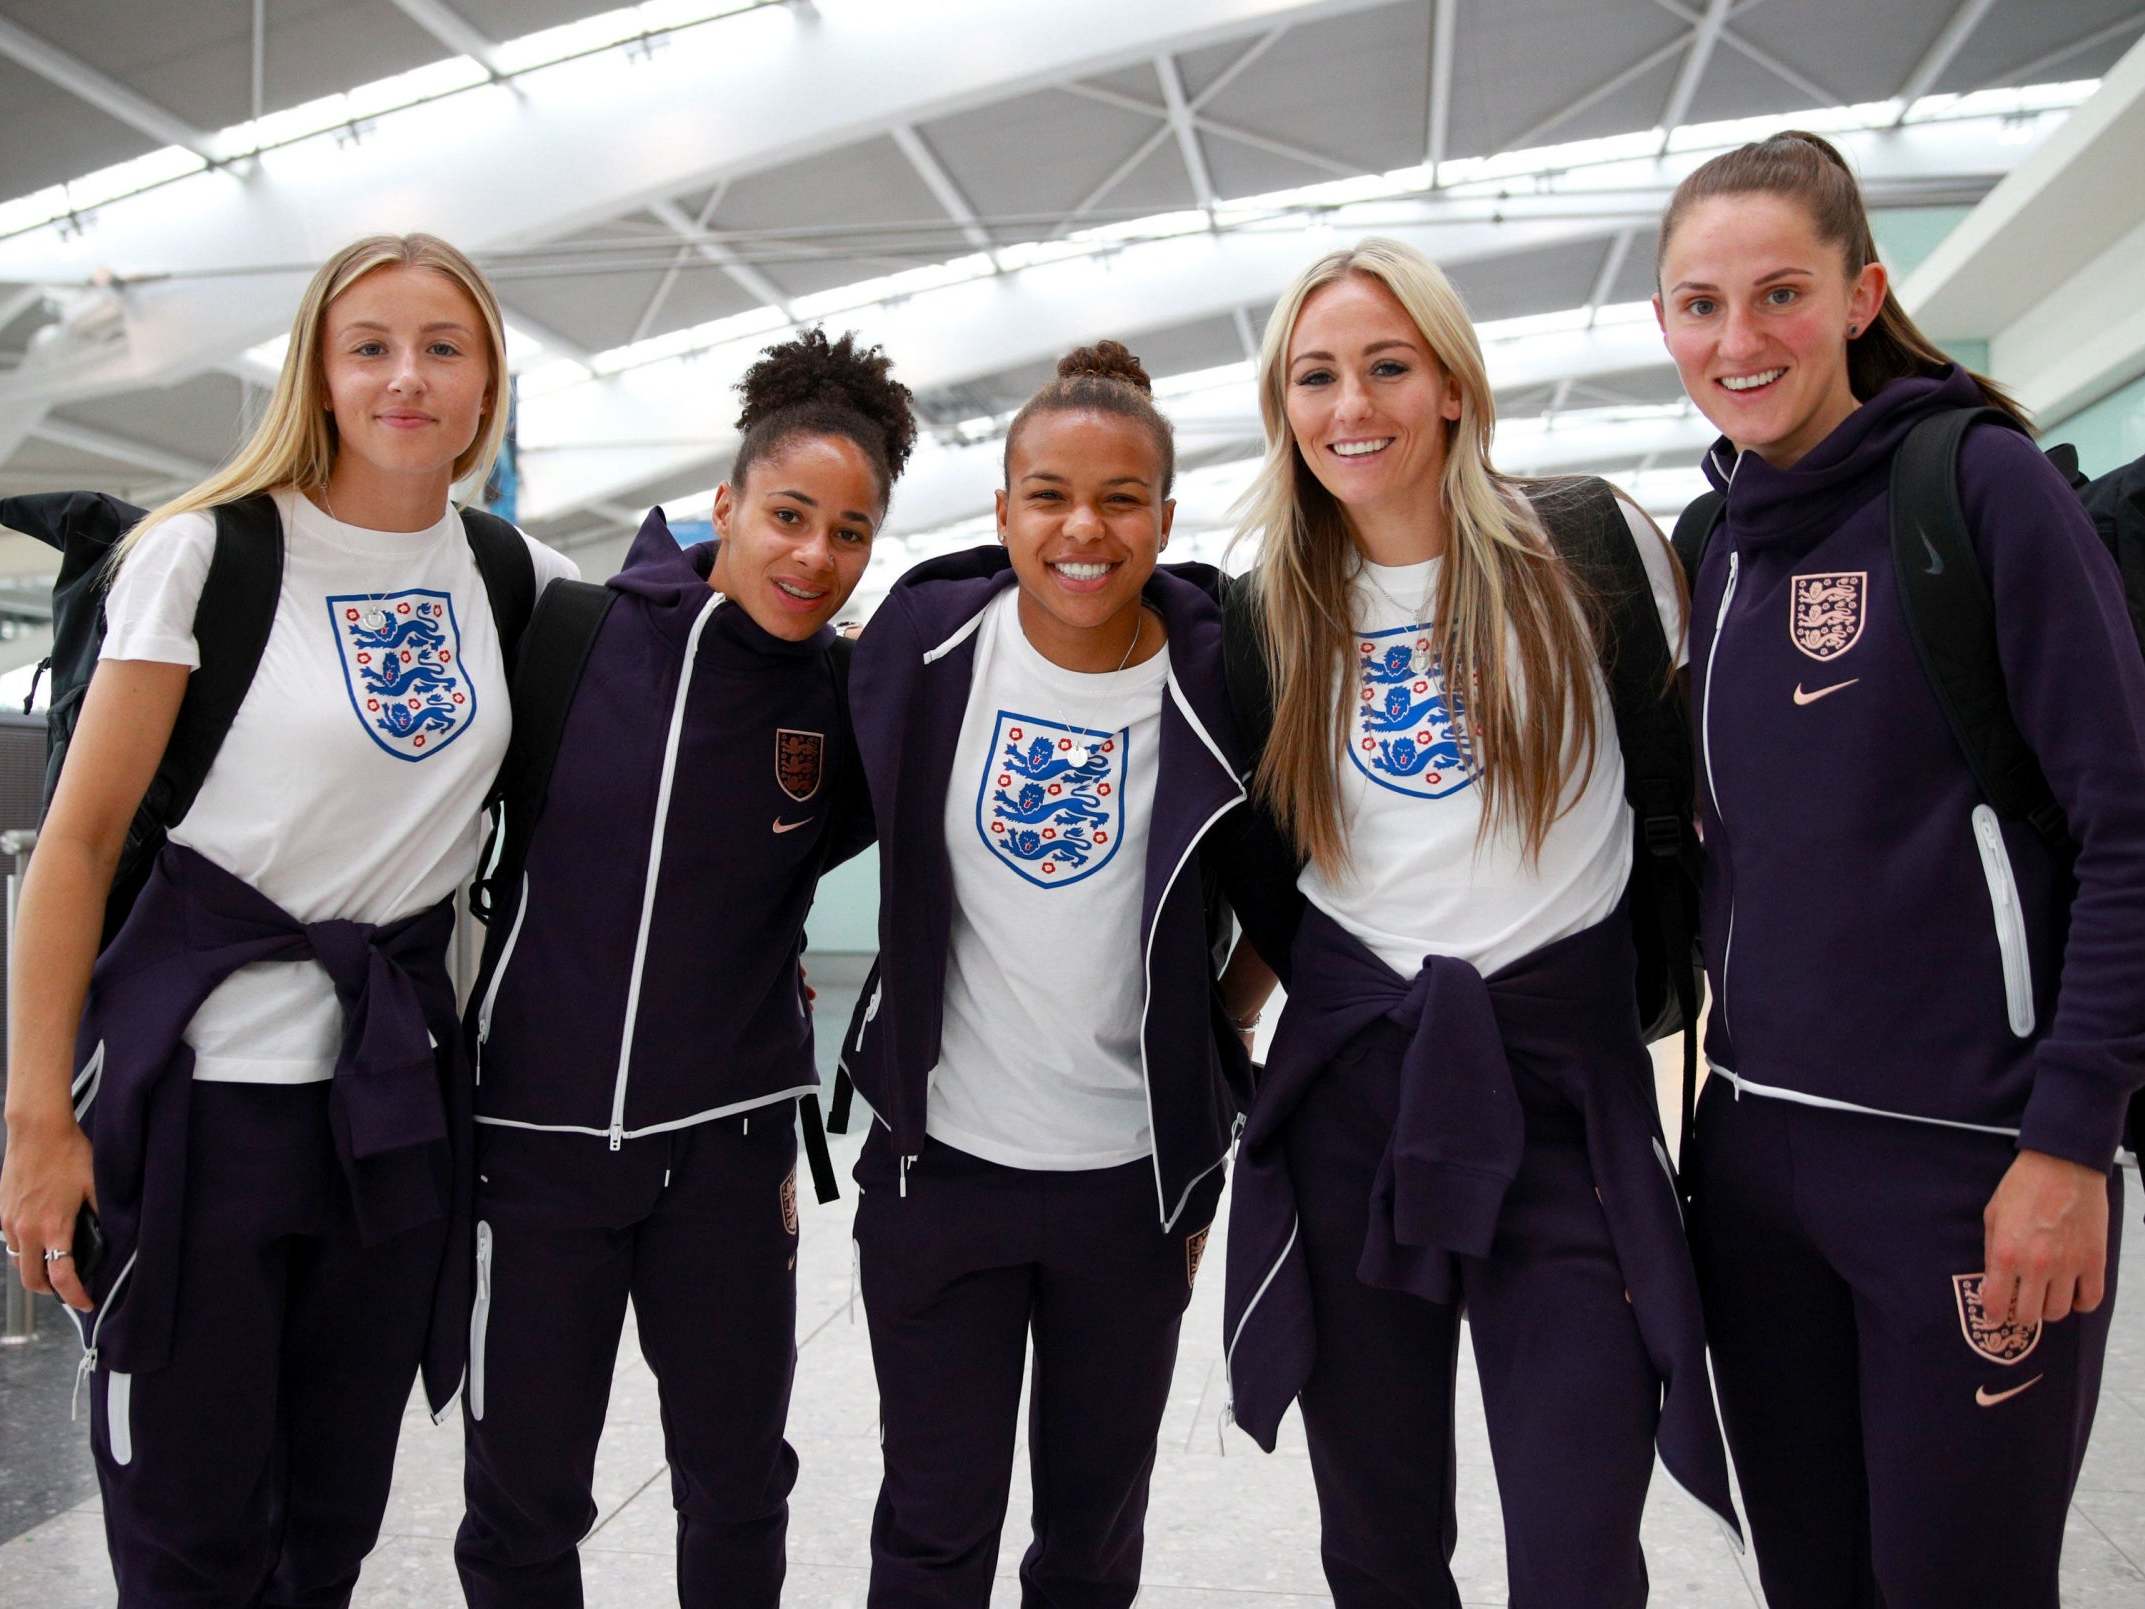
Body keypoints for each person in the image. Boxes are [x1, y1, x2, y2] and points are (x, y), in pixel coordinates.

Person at [0, 233, 575, 1605]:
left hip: (388, 1116)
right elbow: (74, 845)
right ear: (316, 372)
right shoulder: (202, 555)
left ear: (490, 379)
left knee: (330, 1529)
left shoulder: (509, 577)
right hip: (205, 1105)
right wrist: (34, 1117)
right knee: (189, 1538)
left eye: (444, 348)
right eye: (369, 345)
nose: (406, 379)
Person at [1653, 130, 2145, 1608]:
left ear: (1862, 294)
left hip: (1968, 1173)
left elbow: (2125, 828)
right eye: (1697, 305)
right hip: (1752, 1174)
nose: (1737, 341)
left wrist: (2067, 1145)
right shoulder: (1712, 543)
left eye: (1780, 292)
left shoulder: (1976, 488)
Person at [1216, 237, 1740, 1608]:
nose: (1351, 405)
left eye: (1387, 366)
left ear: (1451, 384)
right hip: (1355, 1095)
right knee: (1380, 1542)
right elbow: (1269, 860)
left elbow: (1678, 787)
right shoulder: (1269, 604)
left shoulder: (1588, 544)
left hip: (1560, 1091)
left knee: (1578, 1541)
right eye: (1315, 376)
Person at [452, 326, 913, 1608]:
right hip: (533, 1144)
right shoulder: (573, 637)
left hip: (728, 1150)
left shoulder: (843, 697)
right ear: (725, 502)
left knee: (738, 1485)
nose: (816, 554)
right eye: (790, 514)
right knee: (521, 1501)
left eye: (853, 530)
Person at [834, 341, 1253, 1607]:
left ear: (1166, 520)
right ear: (1005, 510)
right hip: (940, 1173)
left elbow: (1303, 883)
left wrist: (1211, 1039)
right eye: (1050, 495)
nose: (1085, 527)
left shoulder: (1227, 677)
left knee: (1089, 1538)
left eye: (1122, 498)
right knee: (932, 1527)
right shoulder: (922, 645)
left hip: (1126, 1190)